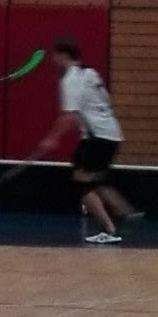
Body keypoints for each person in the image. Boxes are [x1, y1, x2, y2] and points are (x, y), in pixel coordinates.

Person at [32, 39, 138, 244]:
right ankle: (124, 211)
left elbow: (69, 115)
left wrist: (52, 138)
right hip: (106, 135)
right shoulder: (90, 72)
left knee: (81, 186)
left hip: (97, 137)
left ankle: (110, 228)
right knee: (92, 179)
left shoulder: (70, 79)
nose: (53, 59)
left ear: (64, 55)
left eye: (55, 55)